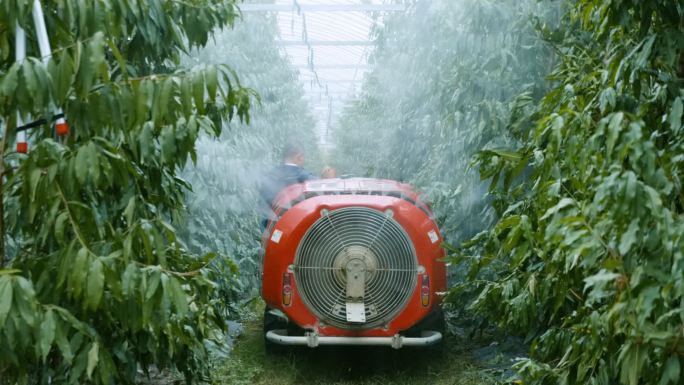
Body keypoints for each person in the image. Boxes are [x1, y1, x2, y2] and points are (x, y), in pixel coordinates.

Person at [259, 143, 315, 230]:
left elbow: (263, 209)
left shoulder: (269, 176)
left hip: (272, 232)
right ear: (299, 156)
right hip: (298, 232)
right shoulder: (307, 178)